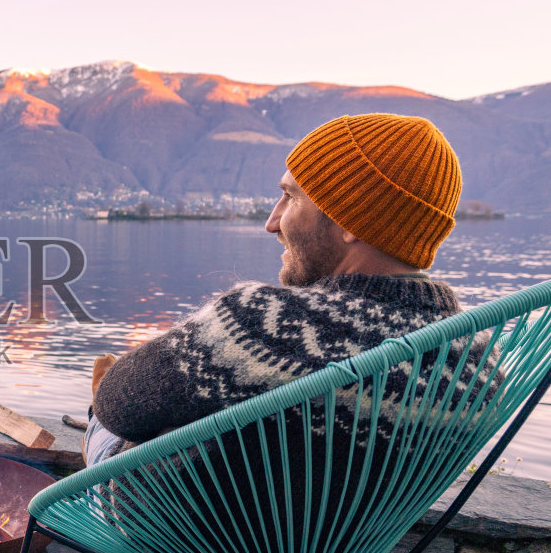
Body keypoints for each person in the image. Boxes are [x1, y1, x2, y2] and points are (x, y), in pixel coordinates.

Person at [85, 112, 466, 465]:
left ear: (354, 221)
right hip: (347, 537)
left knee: (109, 410)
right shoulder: (476, 362)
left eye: (292, 197)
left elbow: (118, 406)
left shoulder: (264, 325)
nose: (272, 222)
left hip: (178, 531)